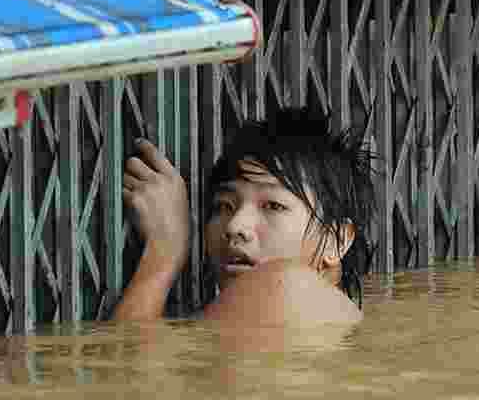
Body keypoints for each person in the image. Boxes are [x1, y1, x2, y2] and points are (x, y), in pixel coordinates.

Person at [113, 108, 378, 325]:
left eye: (272, 206)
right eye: (223, 206)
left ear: (337, 239)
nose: (234, 226)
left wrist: (163, 250)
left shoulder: (285, 285)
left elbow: (126, 380)